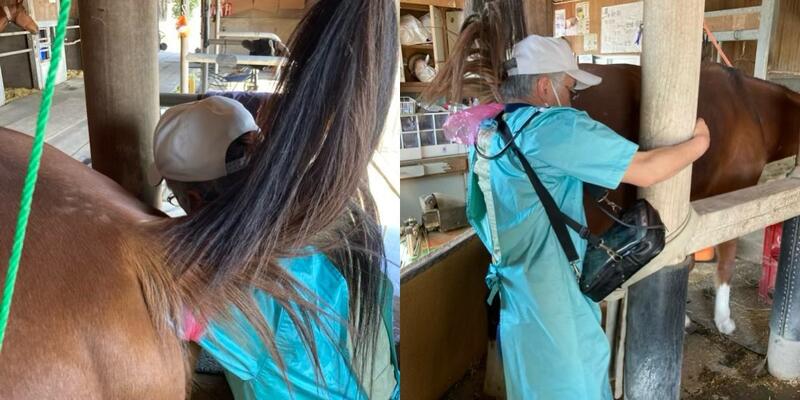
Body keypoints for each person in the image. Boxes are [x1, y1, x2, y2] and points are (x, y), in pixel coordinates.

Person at [432, 34, 710, 399]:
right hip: (558, 310)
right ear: (544, 87)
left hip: (516, 305)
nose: (571, 97)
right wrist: (700, 143)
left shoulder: (488, 133)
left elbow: (480, 214)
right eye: (569, 87)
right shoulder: (552, 128)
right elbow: (647, 169)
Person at [148, 95, 399, 399]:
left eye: (175, 200)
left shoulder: (228, 285)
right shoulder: (332, 214)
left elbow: (158, 304)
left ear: (194, 202)